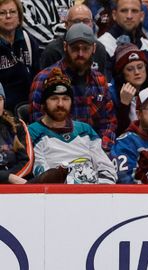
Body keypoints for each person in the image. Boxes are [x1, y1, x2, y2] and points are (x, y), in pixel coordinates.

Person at [30, 23, 117, 152]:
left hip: (94, 149)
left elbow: (109, 123)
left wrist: (101, 149)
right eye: (75, 48)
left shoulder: (100, 80)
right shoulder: (44, 79)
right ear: (65, 47)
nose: (80, 54)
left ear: (93, 48)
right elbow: (37, 125)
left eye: (85, 48)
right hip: (57, 150)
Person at [27, 68, 116, 184]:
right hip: (58, 194)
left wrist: (101, 190)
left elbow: (106, 167)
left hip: (95, 192)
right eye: (54, 99)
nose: (60, 104)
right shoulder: (33, 132)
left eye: (65, 99)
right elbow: (41, 172)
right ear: (44, 103)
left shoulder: (85, 130)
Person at [39, 3, 109, 77]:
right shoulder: (52, 51)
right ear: (66, 24)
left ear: (92, 24)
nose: (81, 25)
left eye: (86, 21)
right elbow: (44, 82)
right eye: (76, 21)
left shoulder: (99, 49)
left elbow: (102, 82)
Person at [0, 0, 40, 113]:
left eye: (12, 12)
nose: (8, 16)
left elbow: (37, 76)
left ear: (19, 17)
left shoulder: (28, 40)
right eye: (2, 13)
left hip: (28, 109)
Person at [97, 0, 148, 70]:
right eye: (124, 11)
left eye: (134, 11)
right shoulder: (102, 46)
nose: (129, 16)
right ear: (114, 15)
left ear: (142, 16)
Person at [113, 43, 148, 134]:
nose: (137, 72)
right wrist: (124, 105)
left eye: (140, 67)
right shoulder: (111, 94)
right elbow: (118, 133)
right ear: (121, 74)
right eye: (130, 69)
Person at [0, 82, 33, 183]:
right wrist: (7, 178)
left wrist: (12, 179)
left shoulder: (17, 125)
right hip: (11, 181)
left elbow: (27, 162)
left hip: (18, 184)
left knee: (52, 175)